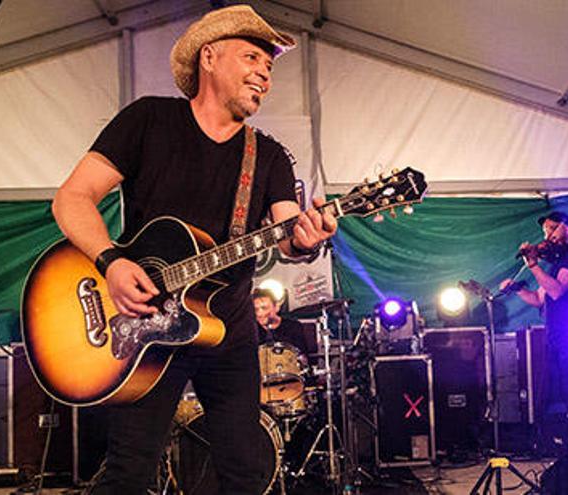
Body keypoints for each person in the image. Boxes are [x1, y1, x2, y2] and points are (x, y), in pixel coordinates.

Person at [51, 5, 337, 493]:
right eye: (252, 58)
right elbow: (72, 198)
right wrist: (112, 262)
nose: (264, 76)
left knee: (246, 472)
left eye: (269, 68)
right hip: (146, 328)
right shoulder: (148, 120)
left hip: (228, 328)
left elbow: (289, 233)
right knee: (129, 471)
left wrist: (307, 238)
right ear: (209, 57)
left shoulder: (266, 154)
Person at [500, 211, 568, 492]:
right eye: (545, 232)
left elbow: (556, 291)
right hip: (556, 339)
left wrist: (532, 265)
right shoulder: (554, 263)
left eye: (552, 229)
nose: (547, 237)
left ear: (567, 228)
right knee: (558, 399)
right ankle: (565, 458)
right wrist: (518, 288)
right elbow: (539, 298)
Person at [253, 287, 313, 353]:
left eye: (264, 308)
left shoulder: (294, 327)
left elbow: (303, 357)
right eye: (256, 309)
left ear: (276, 307)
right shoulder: (251, 332)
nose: (259, 313)